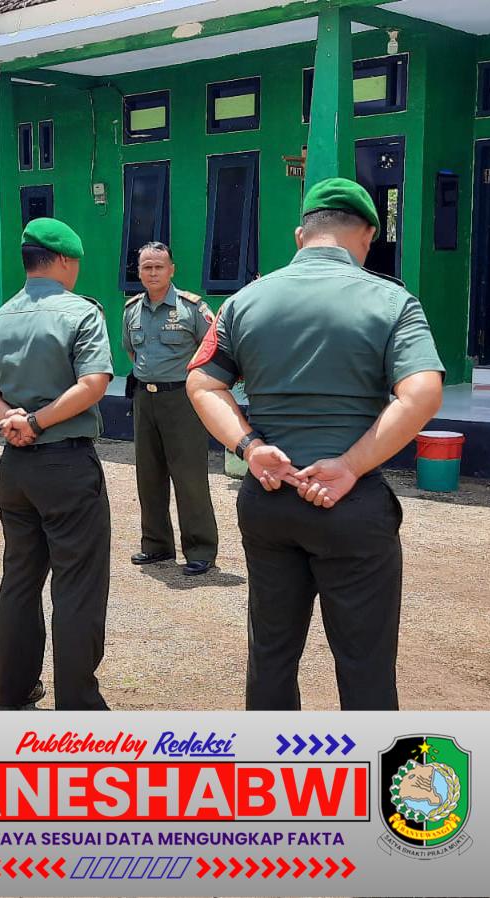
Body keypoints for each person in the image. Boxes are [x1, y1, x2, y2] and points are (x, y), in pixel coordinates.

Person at [186, 177, 445, 711]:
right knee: (365, 662)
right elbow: (422, 393)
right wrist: (350, 465)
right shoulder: (392, 301)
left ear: (300, 235)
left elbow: (203, 384)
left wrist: (249, 447)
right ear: (367, 235)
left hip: (270, 494)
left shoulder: (243, 301)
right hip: (350, 504)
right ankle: (372, 765)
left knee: (271, 653)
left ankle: (271, 762)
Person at [0, 217, 113, 711]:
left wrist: (9, 418)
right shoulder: (81, 313)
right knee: (77, 587)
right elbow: (94, 383)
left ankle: (11, 693)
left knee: (20, 580)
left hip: (16, 466)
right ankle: (78, 704)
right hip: (66, 464)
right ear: (66, 261)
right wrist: (37, 420)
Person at [122, 242, 219, 577]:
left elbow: (212, 350)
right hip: (144, 399)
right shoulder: (131, 310)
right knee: (148, 475)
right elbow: (131, 352)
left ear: (171, 269)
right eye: (146, 267)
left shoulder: (192, 308)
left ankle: (201, 549)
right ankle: (156, 545)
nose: (153, 273)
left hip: (182, 400)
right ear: (139, 272)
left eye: (159, 267)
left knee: (189, 476)